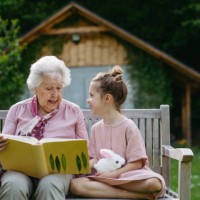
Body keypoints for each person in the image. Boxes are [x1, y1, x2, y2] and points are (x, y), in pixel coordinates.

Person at [70, 65, 166, 200]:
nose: (88, 100)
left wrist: (115, 175)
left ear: (107, 98)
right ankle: (131, 196)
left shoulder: (129, 127)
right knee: (75, 185)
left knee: (154, 183)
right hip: (105, 177)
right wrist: (78, 166)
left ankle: (110, 188)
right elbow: (95, 158)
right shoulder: (96, 128)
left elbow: (137, 163)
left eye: (92, 95)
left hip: (127, 176)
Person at [0, 56, 89, 200]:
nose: (55, 94)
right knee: (12, 184)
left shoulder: (73, 111)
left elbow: (84, 151)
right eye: (49, 88)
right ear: (35, 88)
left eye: (59, 88)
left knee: (50, 184)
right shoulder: (17, 110)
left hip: (59, 172)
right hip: (20, 170)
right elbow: (5, 148)